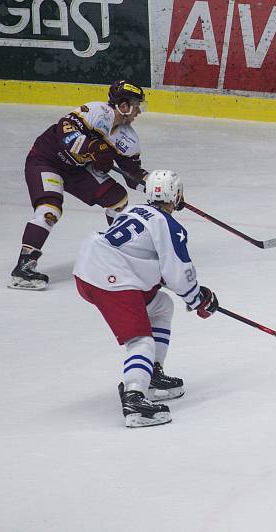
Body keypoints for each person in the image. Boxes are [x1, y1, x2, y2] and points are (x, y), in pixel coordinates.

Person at [73, 170, 218, 428]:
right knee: (140, 339)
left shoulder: (134, 211)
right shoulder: (169, 225)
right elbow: (177, 272)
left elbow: (144, 258)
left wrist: (193, 295)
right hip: (110, 278)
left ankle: (151, 373)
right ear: (175, 194)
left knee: (161, 305)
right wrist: (198, 299)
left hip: (90, 269)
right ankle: (134, 398)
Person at [10, 80, 150, 290]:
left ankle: (116, 252)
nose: (139, 111)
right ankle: (23, 266)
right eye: (136, 105)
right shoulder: (96, 111)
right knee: (50, 210)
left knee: (117, 199)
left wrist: (158, 186)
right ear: (123, 105)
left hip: (77, 170)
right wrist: (93, 147)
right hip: (46, 161)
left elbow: (133, 175)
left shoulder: (128, 137)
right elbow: (64, 130)